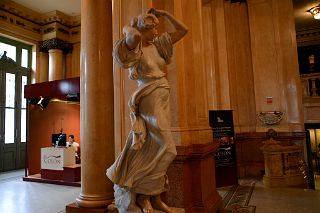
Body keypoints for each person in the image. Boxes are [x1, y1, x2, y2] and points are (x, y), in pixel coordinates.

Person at [106, 8, 188, 213]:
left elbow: (183, 30)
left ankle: (150, 198)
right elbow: (132, 34)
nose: (157, 32)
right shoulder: (134, 48)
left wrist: (165, 14)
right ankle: (141, 193)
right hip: (148, 95)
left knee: (152, 149)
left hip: (162, 94)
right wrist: (131, 24)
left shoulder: (159, 46)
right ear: (142, 29)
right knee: (168, 148)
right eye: (152, 29)